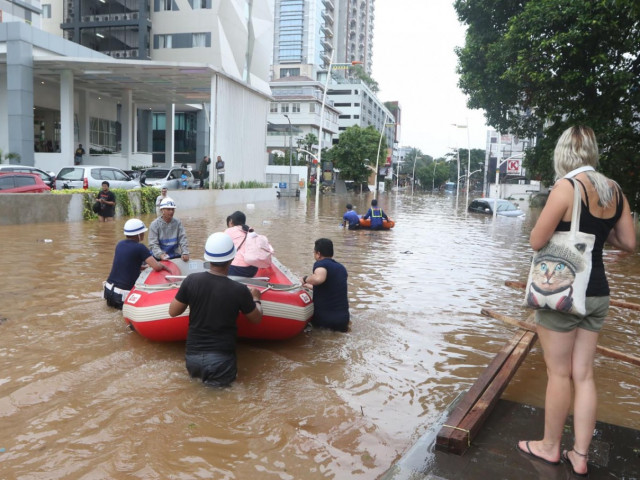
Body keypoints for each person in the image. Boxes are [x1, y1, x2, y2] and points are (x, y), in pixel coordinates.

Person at [517, 126, 636, 477]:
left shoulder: (566, 187)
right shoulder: (614, 190)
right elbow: (629, 243)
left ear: (563, 153)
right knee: (583, 375)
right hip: (598, 292)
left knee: (558, 373)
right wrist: (600, 233)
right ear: (593, 152)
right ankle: (580, 454)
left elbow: (537, 240)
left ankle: (550, 447)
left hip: (565, 293)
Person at [168, 232, 263, 387]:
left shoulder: (191, 281)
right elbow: (256, 318)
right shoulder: (239, 290)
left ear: (208, 258)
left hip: (193, 359)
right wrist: (256, 299)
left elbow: (173, 311)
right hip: (221, 362)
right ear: (232, 259)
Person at [103, 219, 170, 309]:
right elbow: (157, 267)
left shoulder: (120, 244)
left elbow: (125, 264)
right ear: (138, 234)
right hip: (121, 295)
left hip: (108, 290)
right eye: (142, 232)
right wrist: (163, 265)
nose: (144, 234)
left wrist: (142, 267)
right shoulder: (140, 248)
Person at [301, 238, 350, 332]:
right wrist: (310, 286)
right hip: (343, 321)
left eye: (314, 252)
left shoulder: (320, 264)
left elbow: (318, 279)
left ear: (318, 254)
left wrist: (305, 279)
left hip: (324, 321)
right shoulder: (341, 268)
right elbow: (331, 288)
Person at [224, 210, 259, 277]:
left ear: (231, 221)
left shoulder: (229, 231)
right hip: (253, 269)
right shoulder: (250, 231)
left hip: (237, 270)